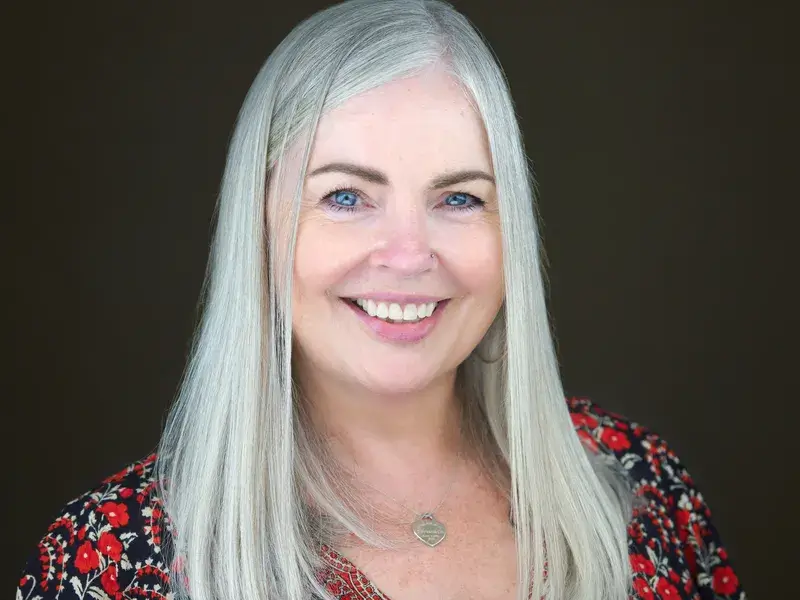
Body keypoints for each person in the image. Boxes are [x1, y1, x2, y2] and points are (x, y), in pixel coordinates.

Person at [17, 1, 745, 599]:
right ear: (258, 225)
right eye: (344, 196)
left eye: (459, 197)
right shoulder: (111, 562)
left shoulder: (637, 486)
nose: (407, 254)